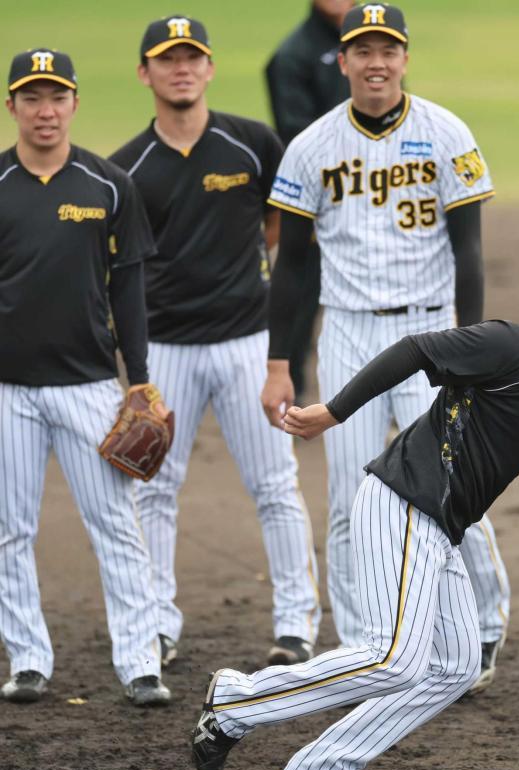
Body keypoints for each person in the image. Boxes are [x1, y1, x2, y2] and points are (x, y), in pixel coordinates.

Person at [193, 248, 519, 770]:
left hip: (441, 527)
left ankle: (320, 768)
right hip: (402, 500)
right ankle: (235, 701)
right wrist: (334, 412)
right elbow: (417, 350)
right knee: (393, 658)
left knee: (456, 664)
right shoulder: (511, 346)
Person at [260, 3, 510, 691]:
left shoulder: (445, 132)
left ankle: (483, 626)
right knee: (349, 493)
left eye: (387, 49)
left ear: (404, 58)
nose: (375, 61)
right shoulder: (310, 147)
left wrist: (477, 347)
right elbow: (295, 267)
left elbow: (470, 251)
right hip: (347, 329)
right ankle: (367, 639)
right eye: (361, 50)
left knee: (456, 482)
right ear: (340, 61)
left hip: (432, 330)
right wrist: (282, 363)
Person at [110, 17, 320, 667]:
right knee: (151, 488)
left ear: (209, 69)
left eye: (192, 58)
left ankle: (296, 623)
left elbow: (289, 220)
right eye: (167, 60)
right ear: (145, 72)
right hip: (166, 350)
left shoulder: (253, 144)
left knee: (275, 483)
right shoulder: (126, 168)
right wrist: (135, 371)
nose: (181, 69)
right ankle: (157, 621)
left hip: (247, 345)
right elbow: (122, 270)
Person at [0, 49, 171, 706]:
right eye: (32, 97)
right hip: (9, 389)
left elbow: (128, 288)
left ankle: (140, 662)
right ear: (11, 106)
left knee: (116, 523)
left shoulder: (108, 185)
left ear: (74, 103)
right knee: (10, 527)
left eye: (56, 96)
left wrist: (140, 379)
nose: (45, 110)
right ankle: (28, 659)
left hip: (89, 384)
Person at [265, 0, 354, 404]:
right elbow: (296, 138)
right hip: (320, 199)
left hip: (378, 192)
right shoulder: (291, 56)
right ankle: (291, 388)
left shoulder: (373, 41)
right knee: (302, 294)